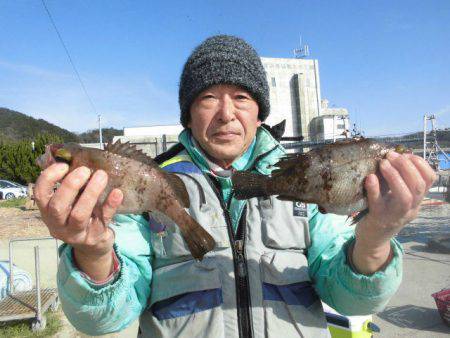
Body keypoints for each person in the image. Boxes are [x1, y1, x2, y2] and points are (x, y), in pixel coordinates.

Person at [34, 35, 436, 337]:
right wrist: (91, 252)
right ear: (188, 116)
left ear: (259, 113)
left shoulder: (300, 185)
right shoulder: (152, 184)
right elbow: (105, 319)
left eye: (241, 97)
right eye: (208, 97)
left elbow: (351, 299)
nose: (226, 113)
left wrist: (376, 236)